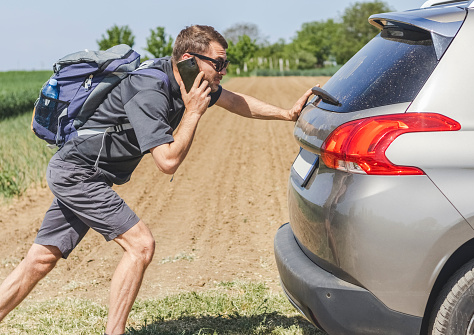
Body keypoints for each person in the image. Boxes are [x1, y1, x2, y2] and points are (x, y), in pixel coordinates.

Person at [0, 25, 313, 335]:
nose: (223, 70)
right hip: (78, 174)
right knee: (141, 246)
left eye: (225, 63)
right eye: (218, 63)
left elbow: (234, 101)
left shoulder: (189, 79)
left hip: (84, 172)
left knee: (41, 259)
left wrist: (286, 114)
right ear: (190, 58)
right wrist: (192, 114)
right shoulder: (149, 89)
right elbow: (167, 161)